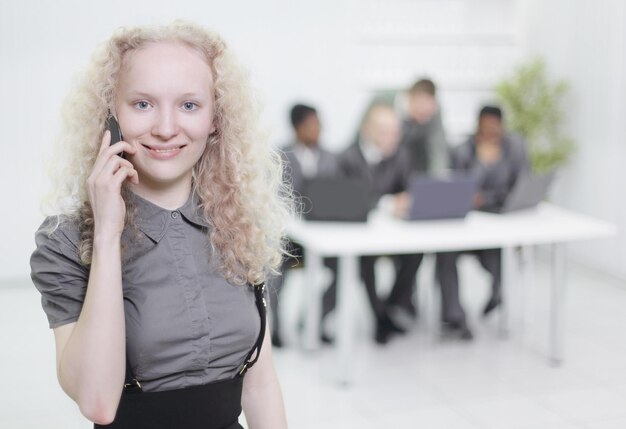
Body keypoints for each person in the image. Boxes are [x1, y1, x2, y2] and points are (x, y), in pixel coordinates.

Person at [29, 21, 289, 429]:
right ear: (110, 114)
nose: (166, 129)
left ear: (215, 118)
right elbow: (98, 402)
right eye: (143, 104)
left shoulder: (237, 220)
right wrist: (107, 234)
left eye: (189, 105)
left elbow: (259, 384)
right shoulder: (64, 240)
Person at [436, 105, 530, 339]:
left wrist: (487, 197)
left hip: (497, 222)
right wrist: (482, 161)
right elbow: (459, 188)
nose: (489, 132)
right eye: (484, 127)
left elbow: (521, 185)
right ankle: (454, 316)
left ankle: (498, 292)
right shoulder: (463, 150)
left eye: (494, 127)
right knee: (445, 255)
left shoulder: (514, 148)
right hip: (463, 224)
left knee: (500, 255)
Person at [338, 102, 423, 344]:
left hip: (394, 231)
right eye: (385, 131)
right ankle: (380, 318)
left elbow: (409, 189)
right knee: (366, 260)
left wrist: (408, 200)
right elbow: (348, 198)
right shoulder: (348, 158)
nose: (393, 138)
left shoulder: (401, 155)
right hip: (360, 234)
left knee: (416, 253)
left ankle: (387, 308)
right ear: (367, 129)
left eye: (396, 132)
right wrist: (387, 204)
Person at [270, 104, 339, 346]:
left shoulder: (331, 157)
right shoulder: (278, 157)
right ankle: (276, 329)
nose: (318, 130)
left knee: (345, 271)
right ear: (298, 128)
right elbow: (275, 197)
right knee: (274, 272)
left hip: (323, 234)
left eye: (319, 124)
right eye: (313, 125)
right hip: (289, 238)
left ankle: (315, 320)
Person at [400, 78, 449, 175]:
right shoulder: (386, 104)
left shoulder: (433, 110)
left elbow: (437, 147)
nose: (425, 115)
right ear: (410, 98)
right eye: (421, 106)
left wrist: (438, 180)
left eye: (427, 113)